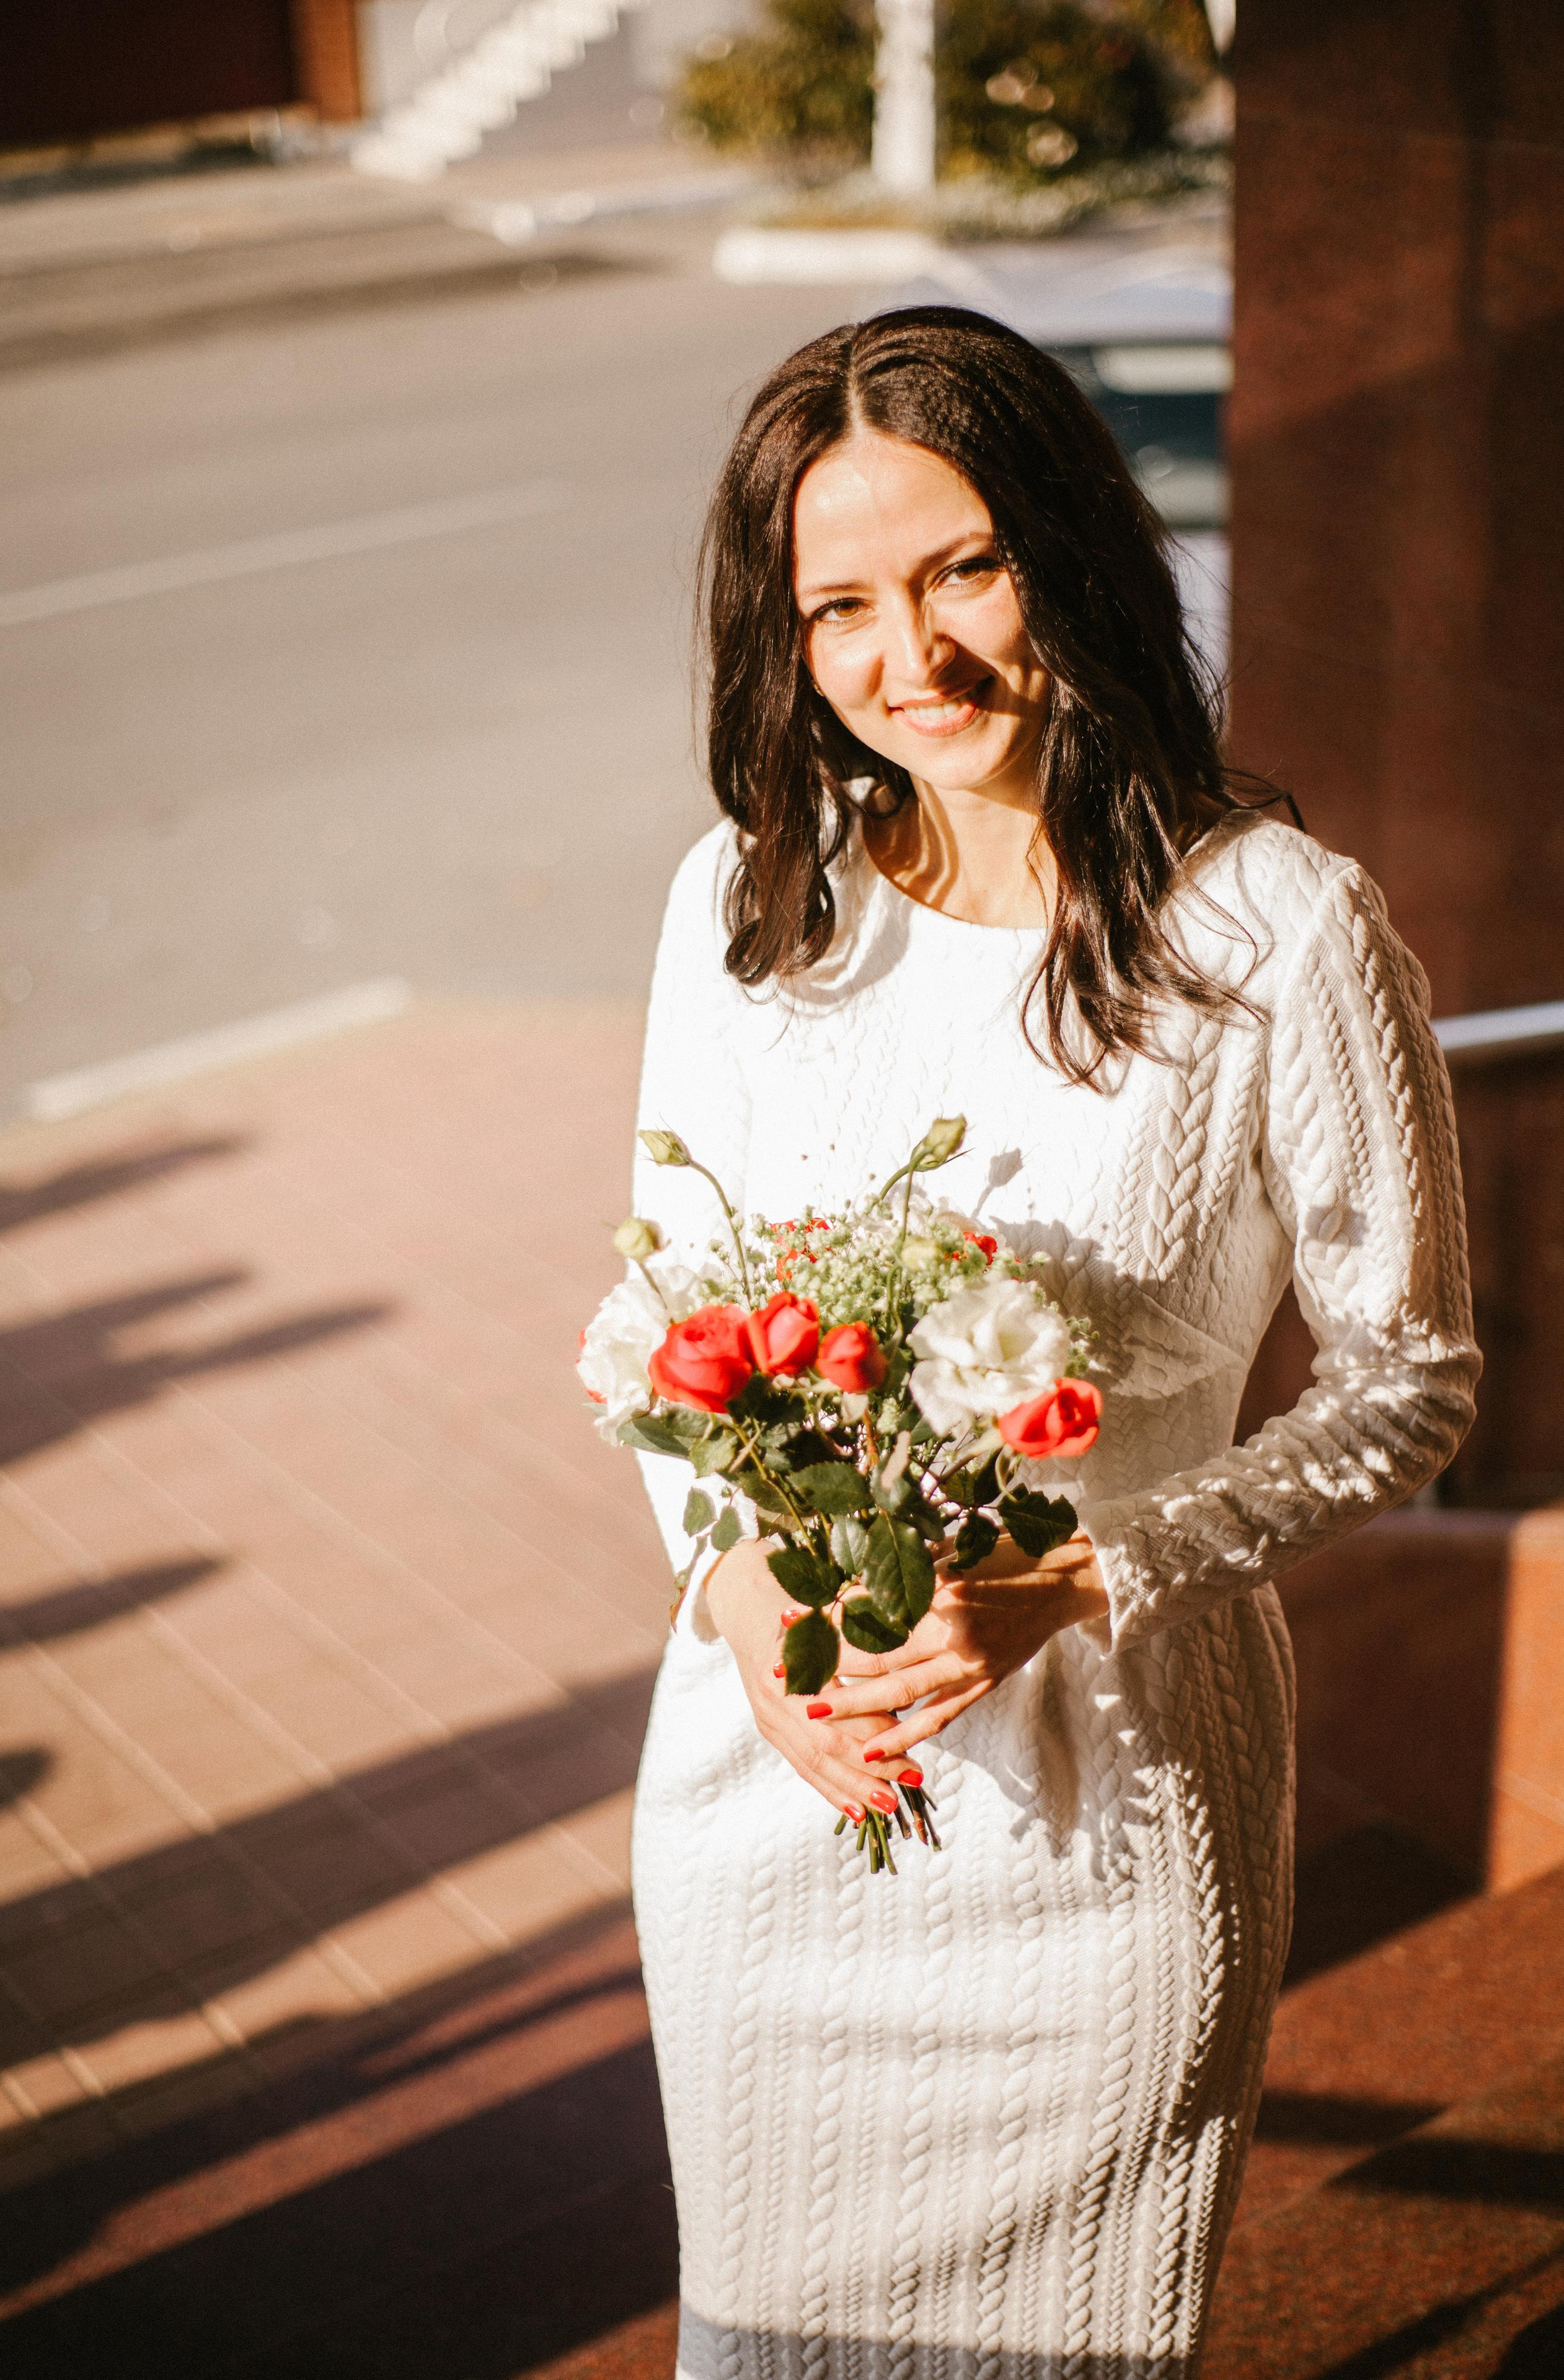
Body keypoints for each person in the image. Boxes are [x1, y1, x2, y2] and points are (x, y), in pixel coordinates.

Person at [626, 307, 1478, 2380]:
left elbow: (1410, 1383)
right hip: (777, 1798)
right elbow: (652, 1310)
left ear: (1076, 554)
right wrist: (728, 1572)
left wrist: (1089, 1571)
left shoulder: (1277, 932)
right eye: (839, 604)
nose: (907, 655)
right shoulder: (755, 915)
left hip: (1114, 1819)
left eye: (962, 570)